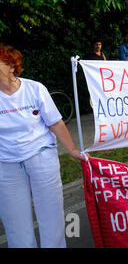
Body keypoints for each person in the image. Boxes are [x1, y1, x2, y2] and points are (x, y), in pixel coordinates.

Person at [0, 44, 87, 248]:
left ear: (11, 66)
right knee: (15, 225)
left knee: (51, 217)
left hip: (41, 158)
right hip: (6, 166)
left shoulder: (34, 89)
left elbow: (55, 123)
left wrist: (73, 150)